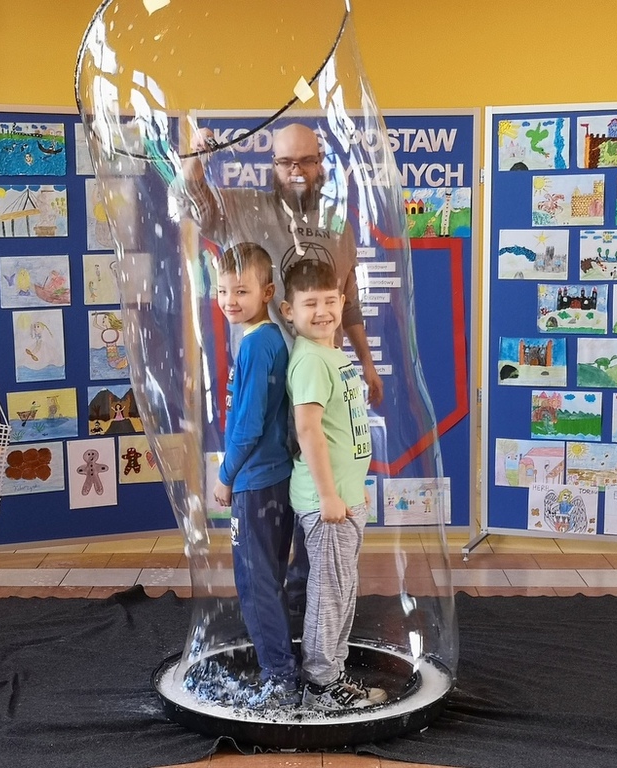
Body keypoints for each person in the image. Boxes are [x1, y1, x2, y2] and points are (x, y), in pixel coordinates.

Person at [183, 121, 384, 619]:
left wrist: (367, 364)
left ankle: (301, 602)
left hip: (323, 383)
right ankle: (272, 610)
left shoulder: (338, 224)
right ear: (272, 165)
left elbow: (349, 301)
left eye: (307, 161)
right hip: (272, 386)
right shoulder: (245, 208)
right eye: (286, 162)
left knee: (318, 493)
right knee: (274, 500)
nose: (297, 171)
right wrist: (196, 157)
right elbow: (196, 202)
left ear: (320, 164)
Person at [280, 259, 386, 711]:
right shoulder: (308, 360)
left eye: (329, 301)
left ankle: (334, 672)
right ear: (289, 310)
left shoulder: (333, 355)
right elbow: (309, 431)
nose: (322, 311)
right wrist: (327, 494)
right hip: (327, 503)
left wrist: (350, 489)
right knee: (329, 593)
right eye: (310, 304)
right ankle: (321, 684)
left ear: (343, 302)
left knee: (342, 589)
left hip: (344, 499)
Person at [210, 242, 300, 708]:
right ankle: (283, 664)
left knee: (255, 583)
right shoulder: (267, 339)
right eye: (223, 290)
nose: (230, 300)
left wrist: (225, 475)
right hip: (275, 479)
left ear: (267, 292)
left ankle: (280, 679)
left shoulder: (256, 344)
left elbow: (247, 426)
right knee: (270, 578)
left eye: (241, 291)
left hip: (255, 483)